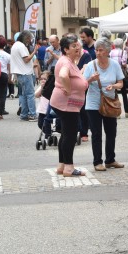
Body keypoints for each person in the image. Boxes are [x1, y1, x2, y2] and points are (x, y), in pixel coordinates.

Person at [82, 38, 125, 172]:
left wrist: (114, 86)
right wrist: (91, 79)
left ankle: (110, 160)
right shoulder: (90, 65)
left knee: (111, 132)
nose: (98, 52)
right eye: (96, 50)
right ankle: (97, 162)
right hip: (93, 104)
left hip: (109, 103)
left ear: (107, 51)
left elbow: (121, 83)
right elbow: (83, 84)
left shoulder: (114, 65)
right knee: (96, 133)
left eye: (101, 50)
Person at [49, 34, 89, 177]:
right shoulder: (66, 62)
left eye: (78, 45)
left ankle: (61, 166)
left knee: (66, 134)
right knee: (70, 136)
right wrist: (67, 88)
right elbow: (64, 75)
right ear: (66, 49)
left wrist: (82, 72)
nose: (77, 48)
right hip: (67, 105)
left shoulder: (68, 60)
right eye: (73, 46)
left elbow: (73, 77)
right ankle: (69, 168)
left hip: (64, 103)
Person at [10, 30, 39, 122]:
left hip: (19, 73)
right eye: (29, 39)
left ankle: (24, 114)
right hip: (25, 73)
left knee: (23, 95)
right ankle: (32, 115)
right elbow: (26, 59)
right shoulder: (21, 46)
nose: (30, 41)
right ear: (26, 38)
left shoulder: (15, 45)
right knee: (30, 95)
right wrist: (34, 51)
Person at [110, 37, 128, 118]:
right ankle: (126, 112)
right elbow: (123, 63)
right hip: (121, 74)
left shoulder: (111, 52)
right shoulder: (124, 52)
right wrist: (126, 68)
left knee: (115, 93)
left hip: (112, 73)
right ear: (121, 44)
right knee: (124, 93)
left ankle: (117, 113)